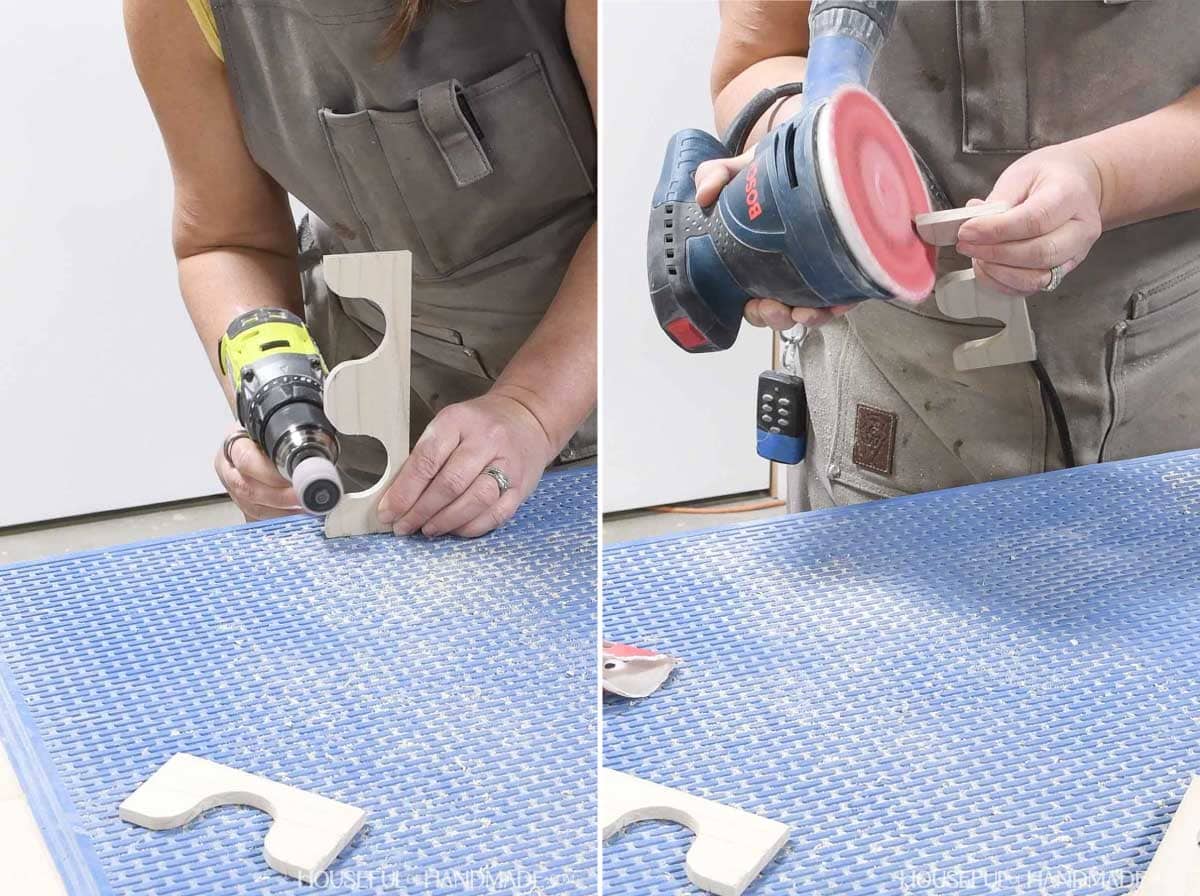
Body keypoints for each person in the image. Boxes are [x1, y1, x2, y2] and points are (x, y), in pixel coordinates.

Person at [699, 0, 1200, 508]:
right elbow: (758, 58)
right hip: (888, 398)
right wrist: (809, 156)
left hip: (1164, 387)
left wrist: (1103, 177)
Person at [124, 0, 596, 537]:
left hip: (594, 405)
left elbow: (632, 203)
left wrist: (530, 410)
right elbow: (227, 240)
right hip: (373, 447)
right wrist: (276, 403)